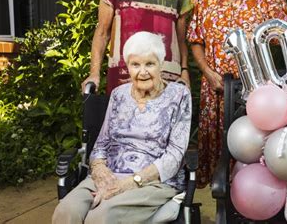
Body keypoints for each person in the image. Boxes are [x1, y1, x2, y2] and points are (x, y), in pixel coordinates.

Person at [187, 0, 287, 187]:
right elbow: (195, 40)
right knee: (219, 160)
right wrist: (206, 71)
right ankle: (223, 204)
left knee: (254, 152)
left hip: (258, 91)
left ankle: (255, 203)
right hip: (215, 89)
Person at [53, 32, 192, 223]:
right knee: (66, 211)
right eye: (136, 65)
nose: (143, 72)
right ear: (128, 66)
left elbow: (175, 155)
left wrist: (129, 183)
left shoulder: (179, 95)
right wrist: (101, 172)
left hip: (153, 183)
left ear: (161, 64)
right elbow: (102, 143)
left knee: (101, 217)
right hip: (109, 175)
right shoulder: (119, 95)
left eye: (149, 64)